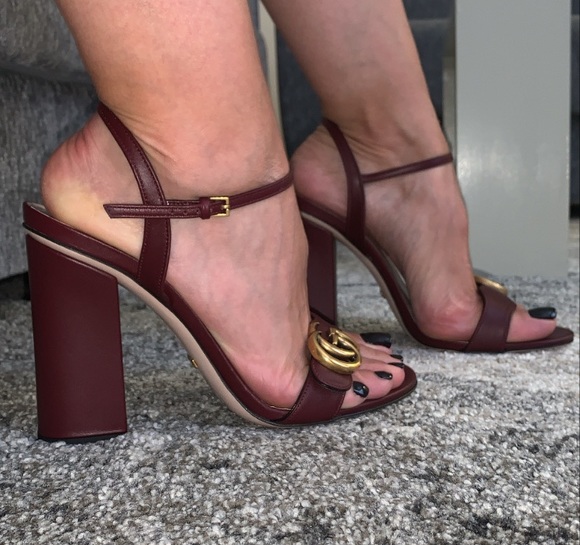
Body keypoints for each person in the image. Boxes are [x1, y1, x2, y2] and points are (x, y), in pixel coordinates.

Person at [24, 0, 571, 440]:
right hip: (175, 190)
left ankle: (387, 151)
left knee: (389, 141)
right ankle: (193, 164)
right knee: (200, 154)